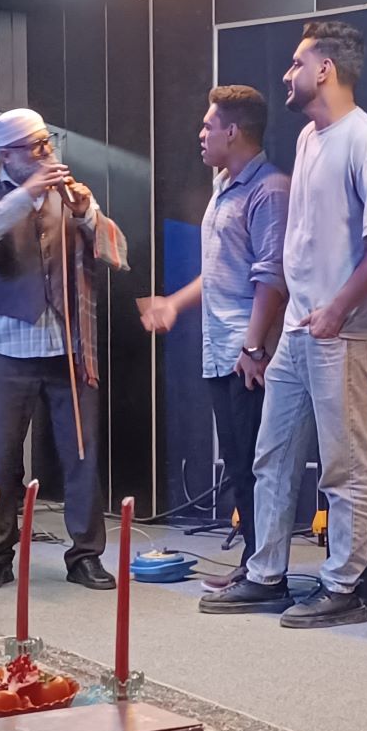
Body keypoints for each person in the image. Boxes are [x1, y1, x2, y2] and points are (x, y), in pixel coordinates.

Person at [201, 19, 367, 628]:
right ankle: (265, 573)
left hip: (345, 332)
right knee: (271, 456)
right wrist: (276, 331)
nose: (287, 74)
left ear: (325, 69)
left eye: (297, 63)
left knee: (344, 465)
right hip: (298, 330)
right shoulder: (307, 139)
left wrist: (338, 308)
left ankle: (342, 586)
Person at [0, 108, 130, 591]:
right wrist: (26, 194)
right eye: (35, 146)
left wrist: (87, 213)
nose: (47, 152)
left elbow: (118, 252)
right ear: (5, 155)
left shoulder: (69, 197)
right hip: (6, 350)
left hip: (68, 350)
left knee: (81, 455)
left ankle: (85, 555)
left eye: (47, 142)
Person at [136, 85, 289, 586]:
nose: (201, 134)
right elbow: (222, 269)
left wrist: (253, 346)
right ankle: (253, 564)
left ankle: (264, 573)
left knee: (257, 463)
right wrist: (173, 304)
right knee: (240, 463)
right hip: (222, 350)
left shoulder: (269, 189)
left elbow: (272, 277)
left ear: (233, 131)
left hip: (249, 353)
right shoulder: (224, 186)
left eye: (208, 126)